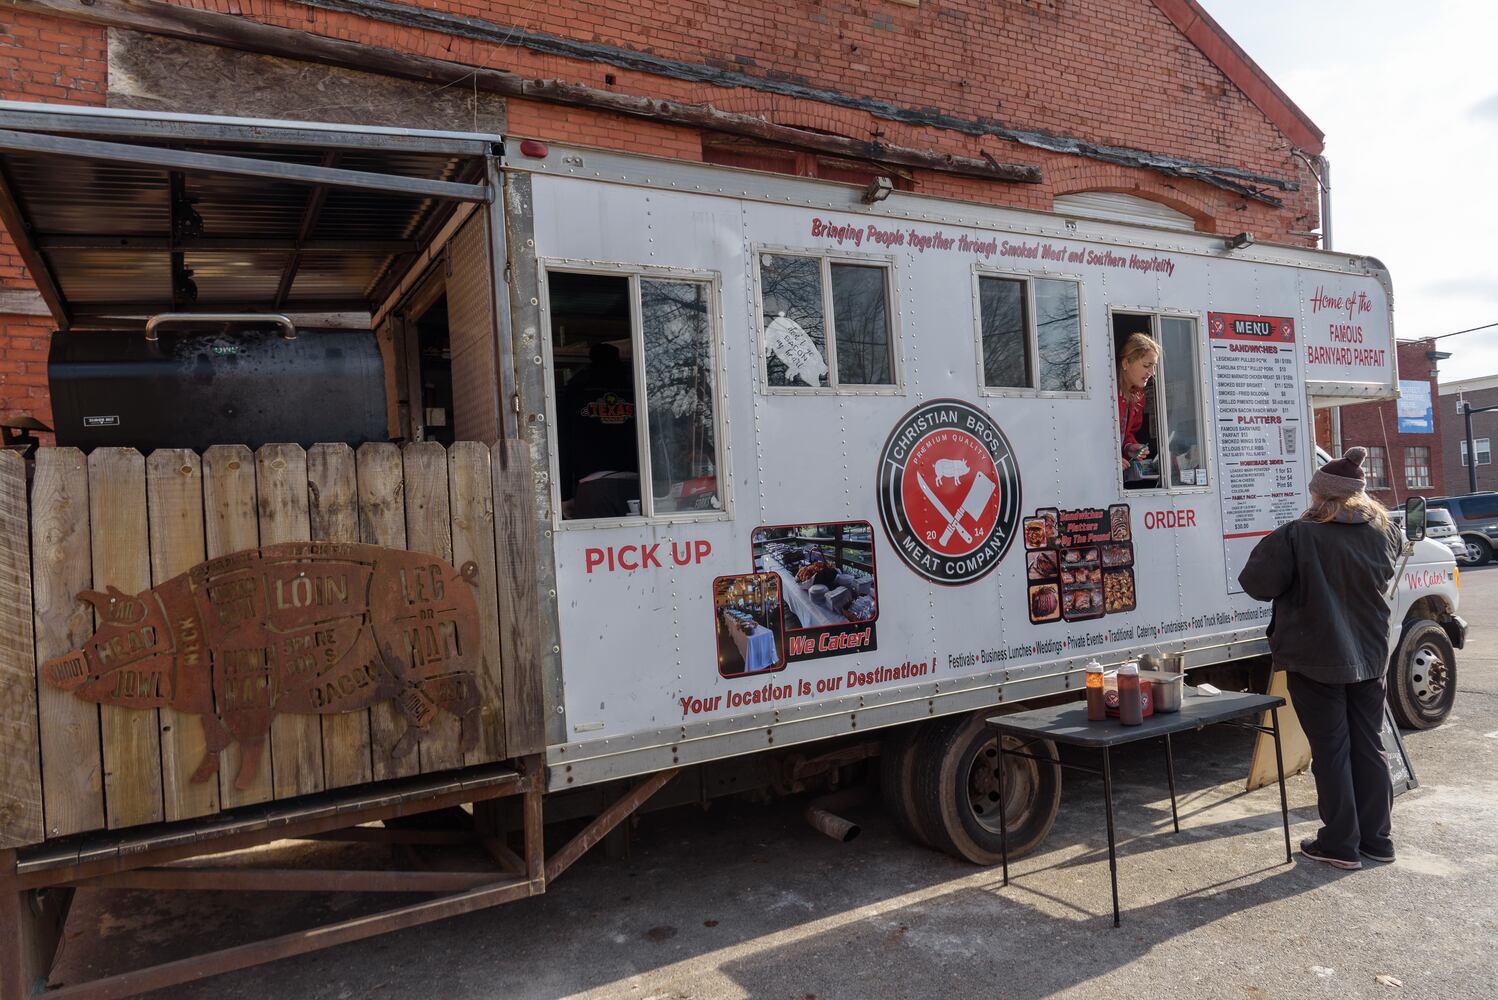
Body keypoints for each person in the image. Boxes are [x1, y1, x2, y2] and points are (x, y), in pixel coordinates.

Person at [1237, 447, 1403, 870]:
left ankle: (1340, 845)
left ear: (1321, 495)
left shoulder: (1298, 534)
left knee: (1332, 751)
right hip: (1370, 656)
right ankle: (1377, 841)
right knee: (1370, 745)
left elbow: (1256, 582)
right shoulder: (1384, 530)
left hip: (1317, 658)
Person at [1117, 333, 1159, 475]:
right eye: (1147, 365)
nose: (1151, 372)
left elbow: (1127, 433)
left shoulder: (1138, 395)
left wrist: (1129, 447)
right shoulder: (1106, 392)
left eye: (1154, 366)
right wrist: (1107, 457)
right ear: (1126, 363)